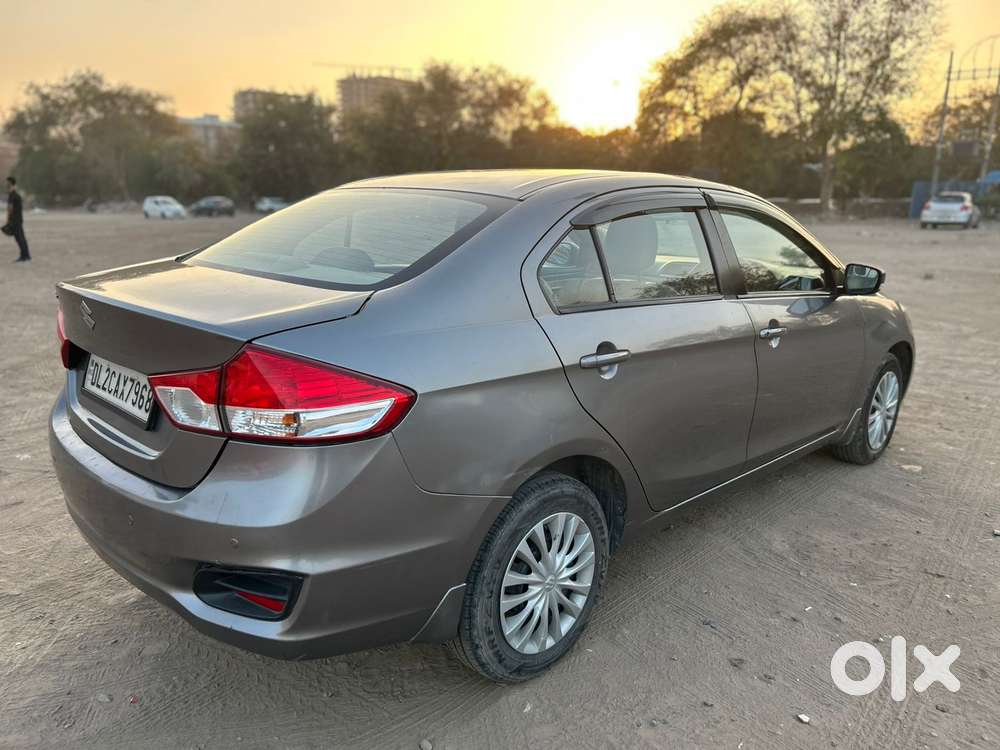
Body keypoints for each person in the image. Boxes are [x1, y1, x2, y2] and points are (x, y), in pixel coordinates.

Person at [5, 176, 30, 262]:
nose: (5, 184)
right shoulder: (16, 195)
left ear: (10, 183)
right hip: (18, 219)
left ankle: (24, 256)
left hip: (15, 221)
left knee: (19, 238)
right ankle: (26, 255)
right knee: (21, 238)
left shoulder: (12, 195)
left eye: (7, 182)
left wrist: (8, 220)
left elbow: (10, 208)